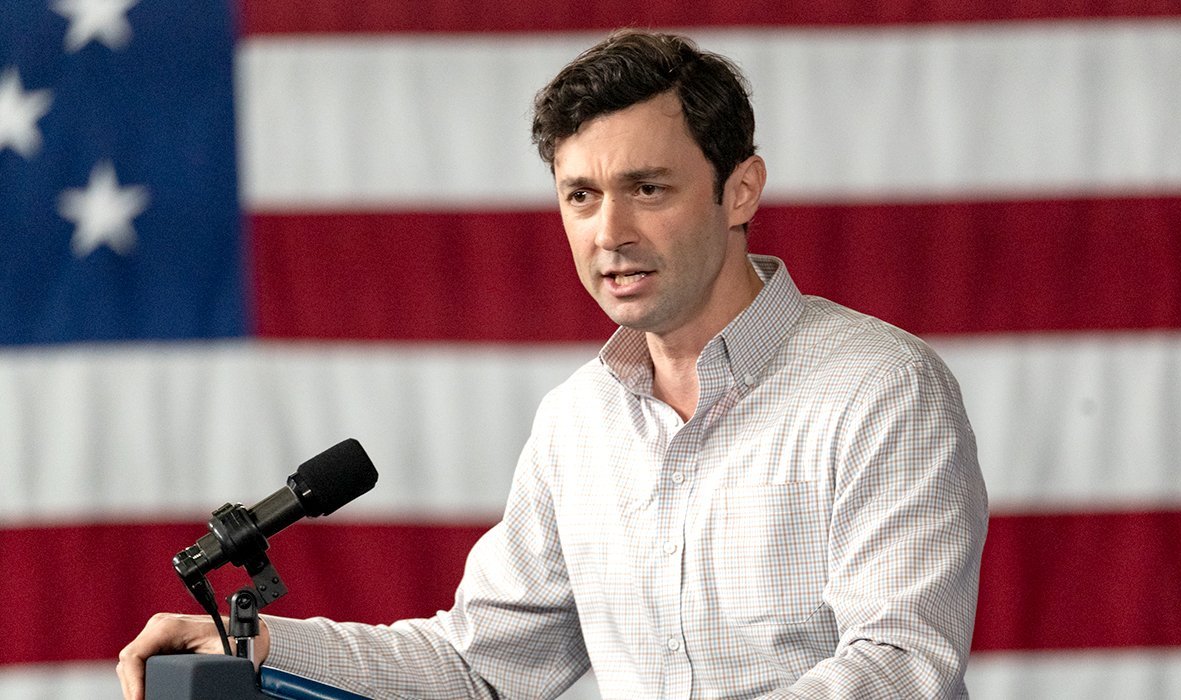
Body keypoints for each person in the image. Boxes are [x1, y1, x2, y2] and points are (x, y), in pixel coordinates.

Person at [118, 29, 988, 699]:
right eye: (581, 196)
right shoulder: (580, 421)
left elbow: (897, 667)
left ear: (740, 189)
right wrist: (259, 647)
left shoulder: (880, 389)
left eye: (648, 188)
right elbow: (479, 667)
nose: (609, 233)